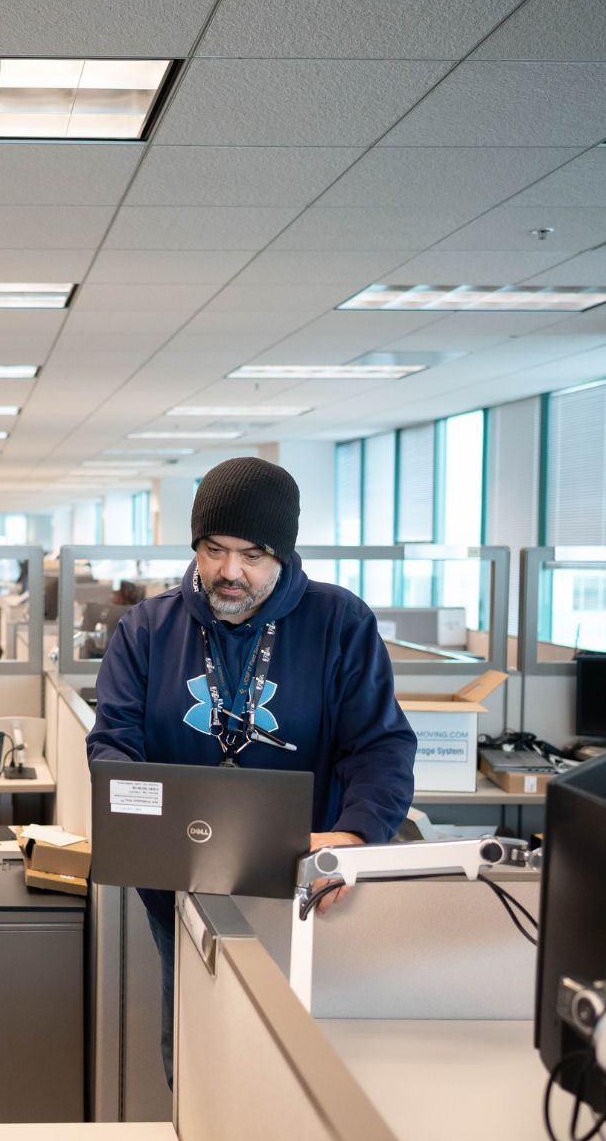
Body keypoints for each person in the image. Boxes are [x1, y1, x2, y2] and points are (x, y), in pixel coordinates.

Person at [85, 456, 416, 1084]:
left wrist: (352, 838)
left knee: (296, 1060)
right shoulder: (146, 629)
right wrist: (140, 825)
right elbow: (113, 745)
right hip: (180, 882)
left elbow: (379, 747)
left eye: (252, 554)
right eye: (213, 549)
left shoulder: (338, 623)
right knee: (193, 1045)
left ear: (282, 555)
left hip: (303, 884)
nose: (228, 572)